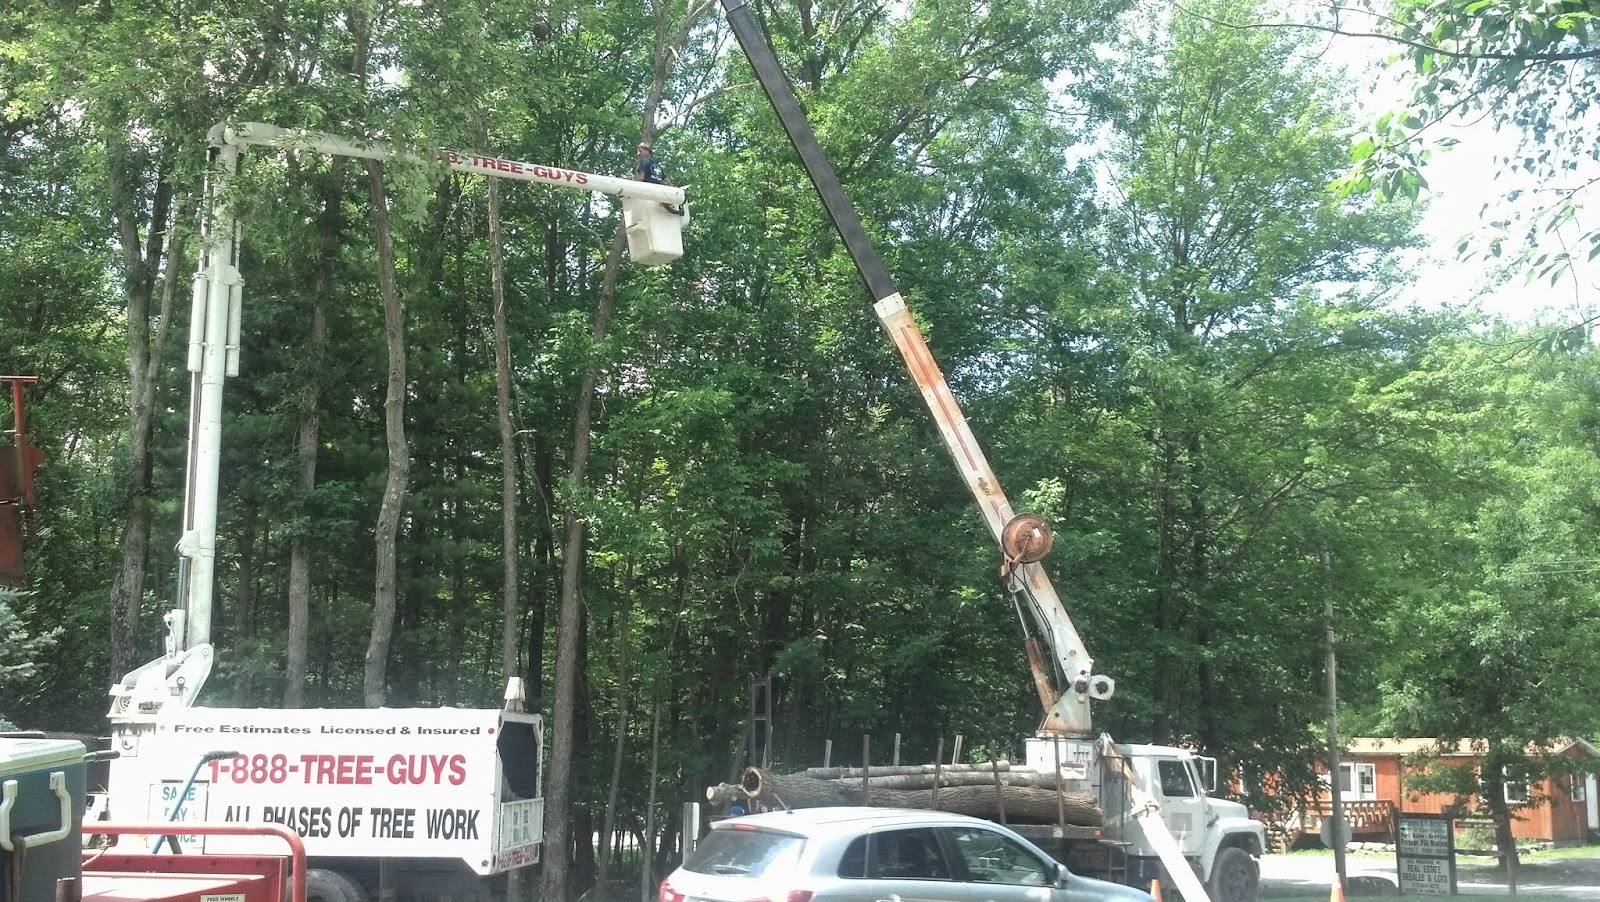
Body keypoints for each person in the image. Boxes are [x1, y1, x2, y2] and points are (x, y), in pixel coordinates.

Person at [635, 142, 682, 215]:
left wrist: (633, 188)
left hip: (647, 191)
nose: (638, 153)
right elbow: (666, 179)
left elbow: (641, 178)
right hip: (658, 192)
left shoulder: (644, 161)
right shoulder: (656, 163)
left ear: (646, 151)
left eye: (640, 151)